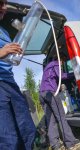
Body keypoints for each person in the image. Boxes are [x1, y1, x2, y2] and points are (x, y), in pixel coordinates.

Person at [0, 0, 36, 149]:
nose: (5, 7)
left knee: (27, 130)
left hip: (10, 82)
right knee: (9, 139)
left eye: (5, 3)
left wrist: (15, 55)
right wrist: (2, 52)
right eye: (1, 3)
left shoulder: (5, 31)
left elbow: (9, 57)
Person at [39, 53, 80, 150]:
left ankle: (55, 145)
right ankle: (70, 142)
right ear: (60, 59)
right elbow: (61, 76)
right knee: (61, 117)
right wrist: (74, 73)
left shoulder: (48, 66)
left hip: (42, 93)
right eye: (63, 61)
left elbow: (52, 78)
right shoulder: (55, 64)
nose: (63, 63)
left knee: (51, 120)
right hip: (51, 93)